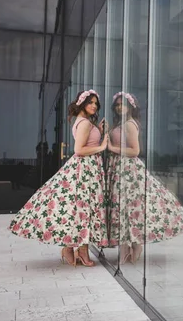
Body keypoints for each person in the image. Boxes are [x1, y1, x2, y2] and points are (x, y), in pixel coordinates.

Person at [8, 89, 109, 267]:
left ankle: (72, 248)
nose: (94, 106)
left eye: (95, 103)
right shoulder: (84, 123)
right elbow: (79, 150)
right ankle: (79, 249)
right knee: (84, 209)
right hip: (85, 170)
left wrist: (98, 130)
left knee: (82, 210)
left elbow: (85, 143)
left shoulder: (85, 122)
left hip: (88, 170)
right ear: (82, 104)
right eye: (90, 102)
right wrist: (101, 147)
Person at [107, 92, 183, 264]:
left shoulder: (129, 124)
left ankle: (135, 246)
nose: (120, 107)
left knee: (129, 209)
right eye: (118, 105)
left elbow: (135, 151)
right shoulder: (122, 123)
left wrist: (111, 148)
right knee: (123, 210)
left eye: (123, 104)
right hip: (121, 170)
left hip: (128, 172)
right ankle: (127, 247)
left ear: (131, 107)